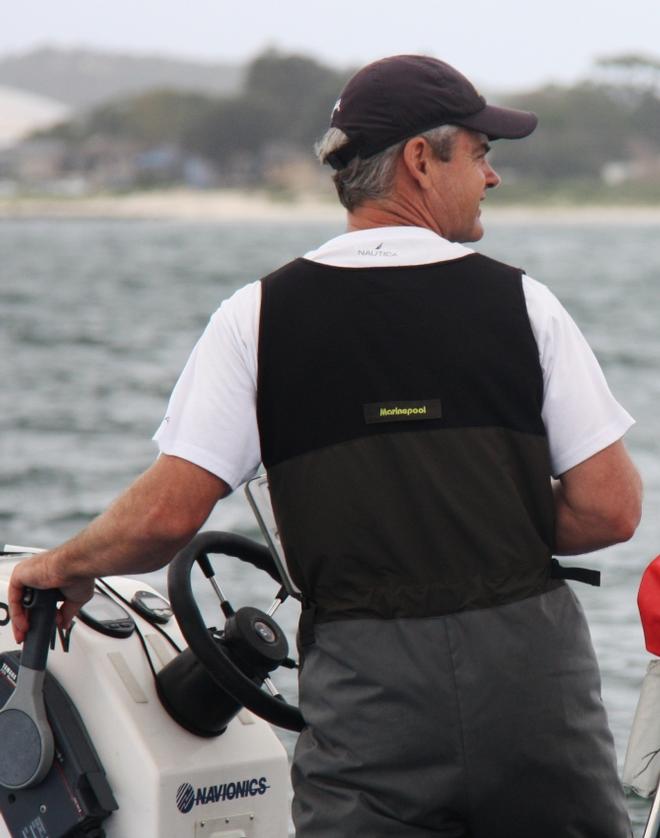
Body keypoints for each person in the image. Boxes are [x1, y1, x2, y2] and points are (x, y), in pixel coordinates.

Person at [9, 55, 642, 837]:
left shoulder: (257, 318)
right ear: (421, 157)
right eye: (481, 153)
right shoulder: (523, 302)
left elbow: (167, 517)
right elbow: (611, 511)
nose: (493, 178)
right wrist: (474, 523)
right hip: (532, 688)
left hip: (371, 697)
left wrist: (60, 564)